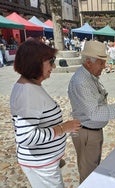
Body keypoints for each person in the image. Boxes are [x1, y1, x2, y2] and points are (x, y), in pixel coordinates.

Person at [10, 39, 81, 188]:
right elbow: (26, 137)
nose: (53, 66)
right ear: (35, 63)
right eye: (51, 61)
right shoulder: (28, 92)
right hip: (41, 164)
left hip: (44, 161)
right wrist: (63, 128)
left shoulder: (30, 86)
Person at [68, 40, 115, 183]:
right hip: (86, 132)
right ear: (88, 62)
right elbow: (94, 113)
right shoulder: (82, 81)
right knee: (88, 174)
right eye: (101, 62)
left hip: (91, 131)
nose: (104, 66)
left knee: (93, 169)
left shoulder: (89, 76)